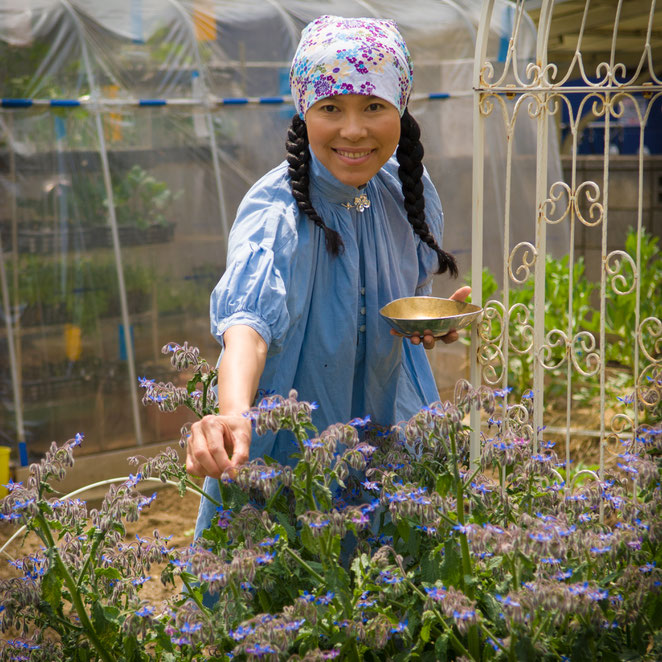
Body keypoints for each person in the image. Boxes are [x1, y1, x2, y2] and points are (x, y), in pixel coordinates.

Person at [188, 15, 470, 536]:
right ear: (304, 111)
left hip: (388, 422)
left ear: (400, 109)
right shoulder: (278, 211)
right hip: (295, 441)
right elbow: (246, 328)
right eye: (331, 108)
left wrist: (427, 324)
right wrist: (232, 415)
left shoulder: (403, 192)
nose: (354, 129)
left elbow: (397, 302)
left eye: (374, 106)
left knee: (390, 583)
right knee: (292, 579)